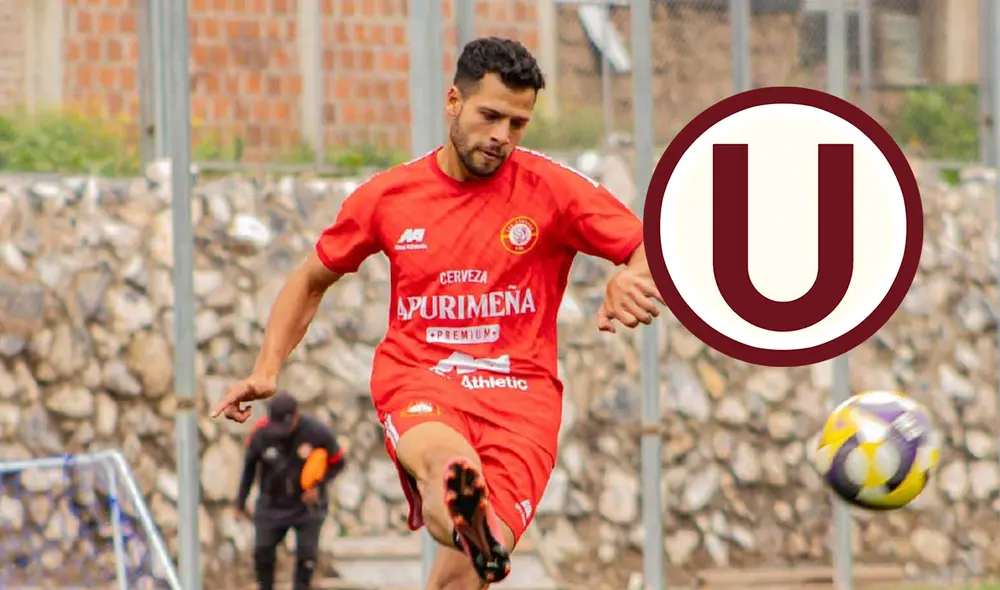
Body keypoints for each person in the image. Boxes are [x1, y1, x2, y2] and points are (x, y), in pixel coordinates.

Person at [212, 36, 663, 589]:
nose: (501, 136)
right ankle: (463, 500)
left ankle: (479, 529)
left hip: (523, 401)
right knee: (444, 464)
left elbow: (653, 247)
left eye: (518, 124)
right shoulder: (391, 197)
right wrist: (266, 368)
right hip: (422, 378)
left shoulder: (553, 189)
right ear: (454, 101)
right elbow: (310, 278)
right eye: (490, 115)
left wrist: (630, 276)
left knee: (462, 578)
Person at [235, 391, 346, 590]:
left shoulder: (317, 432)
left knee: (306, 555)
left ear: (296, 416)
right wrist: (240, 503)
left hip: (305, 505)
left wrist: (318, 487)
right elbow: (249, 469)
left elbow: (338, 462)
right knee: (263, 551)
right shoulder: (260, 435)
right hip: (272, 503)